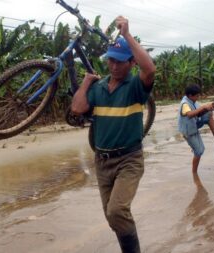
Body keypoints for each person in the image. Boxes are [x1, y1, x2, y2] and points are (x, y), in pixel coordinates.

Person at [71, 16, 156, 253]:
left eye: (120, 62)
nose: (114, 66)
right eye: (110, 61)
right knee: (112, 218)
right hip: (102, 162)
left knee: (117, 211)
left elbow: (149, 69)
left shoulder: (136, 88)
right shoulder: (98, 88)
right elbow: (77, 108)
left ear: (131, 63)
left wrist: (128, 34)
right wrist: (87, 83)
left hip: (129, 160)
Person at [178, 84, 214, 174]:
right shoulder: (185, 104)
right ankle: (194, 173)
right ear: (190, 95)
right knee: (199, 151)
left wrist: (209, 108)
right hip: (188, 130)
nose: (198, 97)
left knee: (209, 113)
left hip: (193, 125)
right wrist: (203, 107)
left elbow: (199, 111)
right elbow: (190, 114)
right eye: (197, 96)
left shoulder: (192, 101)